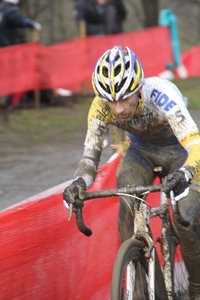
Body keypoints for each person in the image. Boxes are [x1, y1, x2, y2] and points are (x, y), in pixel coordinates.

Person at [63, 45, 200, 299]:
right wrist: (78, 183)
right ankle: (139, 280)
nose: (119, 108)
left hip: (180, 150)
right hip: (141, 151)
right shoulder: (100, 107)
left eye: (125, 97)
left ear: (138, 88)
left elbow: (195, 144)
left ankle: (197, 288)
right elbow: (89, 158)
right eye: (111, 100)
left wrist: (187, 173)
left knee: (187, 215)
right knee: (127, 203)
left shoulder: (162, 93)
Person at [0, 0, 42, 109]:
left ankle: (10, 99)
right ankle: (11, 100)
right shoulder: (9, 9)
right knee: (14, 74)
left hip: (4, 47)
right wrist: (29, 23)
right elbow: (17, 18)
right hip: (10, 48)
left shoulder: (2, 9)